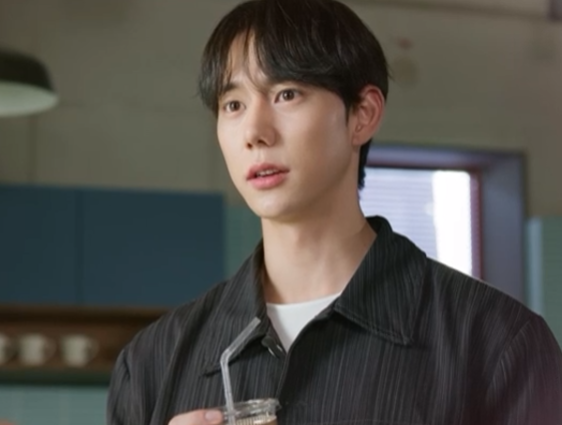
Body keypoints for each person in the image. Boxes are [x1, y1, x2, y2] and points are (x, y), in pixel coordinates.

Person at [107, 0, 562, 424]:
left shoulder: (496, 345)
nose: (255, 132)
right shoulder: (151, 364)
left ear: (362, 114)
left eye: (286, 94)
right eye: (234, 105)